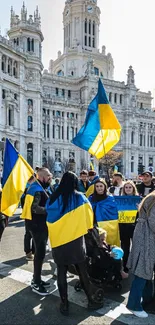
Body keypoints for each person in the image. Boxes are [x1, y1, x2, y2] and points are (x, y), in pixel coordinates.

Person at [46, 171, 104, 315]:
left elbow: (48, 217)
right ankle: (91, 300)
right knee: (82, 271)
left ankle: (64, 303)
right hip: (76, 241)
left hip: (58, 241)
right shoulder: (80, 197)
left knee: (61, 271)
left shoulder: (53, 198)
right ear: (74, 183)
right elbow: (89, 221)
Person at [21, 167, 52, 296]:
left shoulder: (37, 188)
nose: (50, 179)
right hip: (37, 226)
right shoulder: (37, 190)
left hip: (37, 225)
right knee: (40, 254)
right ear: (42, 177)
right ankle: (36, 281)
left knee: (40, 253)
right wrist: (49, 209)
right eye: (49, 177)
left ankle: (37, 278)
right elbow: (35, 208)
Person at [126, 191, 155, 318]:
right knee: (143, 272)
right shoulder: (153, 199)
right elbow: (154, 223)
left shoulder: (151, 197)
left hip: (145, 235)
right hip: (146, 237)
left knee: (146, 271)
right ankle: (134, 305)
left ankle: (147, 302)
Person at [89, 178, 120, 247]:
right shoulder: (90, 199)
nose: (99, 188)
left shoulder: (110, 199)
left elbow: (115, 212)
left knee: (109, 245)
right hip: (94, 225)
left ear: (105, 187)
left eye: (101, 186)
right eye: (97, 186)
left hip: (109, 225)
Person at [119, 180, 140, 273]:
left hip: (135, 226)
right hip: (123, 227)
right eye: (126, 187)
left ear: (133, 188)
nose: (128, 189)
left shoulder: (139, 199)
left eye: (130, 187)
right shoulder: (119, 199)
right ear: (124, 189)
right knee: (125, 247)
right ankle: (125, 265)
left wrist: (139, 207)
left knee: (136, 247)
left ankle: (136, 266)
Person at [21, 175, 35, 261]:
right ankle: (29, 252)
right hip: (29, 214)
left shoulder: (31, 188)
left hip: (29, 214)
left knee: (30, 234)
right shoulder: (27, 189)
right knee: (29, 234)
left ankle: (31, 251)